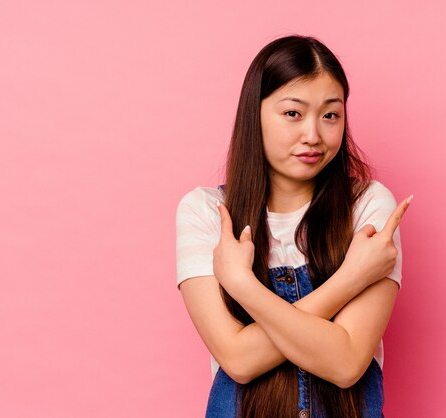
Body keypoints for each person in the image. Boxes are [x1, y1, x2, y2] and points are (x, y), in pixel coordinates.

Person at [176, 35, 413, 418]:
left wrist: (241, 283)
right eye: (293, 113)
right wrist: (350, 278)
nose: (313, 136)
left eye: (330, 115)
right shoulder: (206, 212)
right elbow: (237, 359)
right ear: (255, 114)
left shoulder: (368, 205)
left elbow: (347, 363)